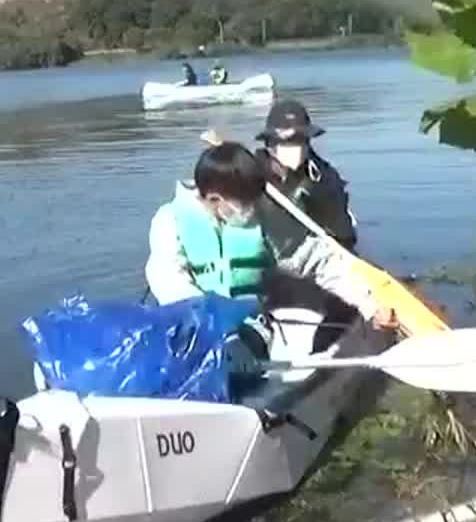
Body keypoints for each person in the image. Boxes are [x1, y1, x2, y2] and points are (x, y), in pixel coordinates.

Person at [144, 142, 398, 368]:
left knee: (232, 365)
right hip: (192, 326)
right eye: (244, 202)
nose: (251, 210)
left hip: (250, 328)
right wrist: (215, 328)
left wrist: (370, 304)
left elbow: (320, 263)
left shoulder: (263, 217)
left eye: (254, 201)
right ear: (213, 198)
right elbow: (169, 282)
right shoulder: (170, 221)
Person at [254, 99, 357, 251]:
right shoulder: (250, 174)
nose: (297, 148)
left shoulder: (325, 177)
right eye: (287, 141)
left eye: (302, 140)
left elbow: (343, 234)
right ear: (270, 144)